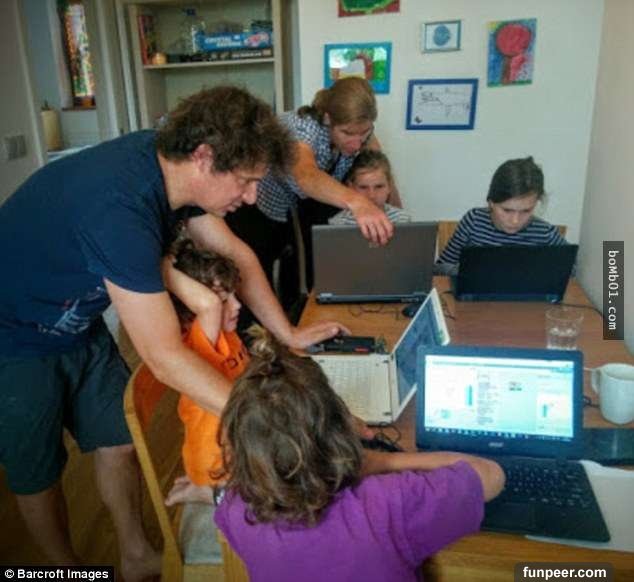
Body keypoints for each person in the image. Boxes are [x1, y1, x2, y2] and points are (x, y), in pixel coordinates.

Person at [0, 86, 347, 580]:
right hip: (12, 333)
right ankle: (64, 571)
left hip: (76, 322)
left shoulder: (174, 172)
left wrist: (288, 333)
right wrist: (271, 422)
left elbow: (239, 255)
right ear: (204, 158)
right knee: (38, 472)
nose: (252, 196)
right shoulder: (118, 208)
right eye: (246, 181)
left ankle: (135, 554)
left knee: (118, 441)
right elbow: (164, 357)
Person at [213, 327, 505, 582]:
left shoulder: (235, 509)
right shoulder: (388, 503)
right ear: (338, 428)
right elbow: (492, 475)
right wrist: (386, 461)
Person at [225, 77, 400, 306]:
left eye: (364, 133)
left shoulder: (360, 130)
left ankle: (301, 315)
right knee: (254, 275)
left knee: (305, 267)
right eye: (348, 133)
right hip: (257, 205)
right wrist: (359, 203)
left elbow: (381, 170)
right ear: (328, 119)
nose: (357, 144)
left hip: (300, 203)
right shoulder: (304, 127)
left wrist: (398, 222)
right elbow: (306, 175)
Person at [162, 235, 248, 505]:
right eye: (224, 300)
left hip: (237, 449)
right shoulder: (200, 341)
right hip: (217, 463)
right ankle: (209, 494)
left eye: (234, 295)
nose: (237, 305)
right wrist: (163, 271)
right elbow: (209, 306)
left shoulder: (226, 334)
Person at [435, 156, 567, 275]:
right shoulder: (474, 221)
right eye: (507, 210)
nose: (515, 220)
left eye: (526, 211)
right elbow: (441, 267)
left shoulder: (545, 233)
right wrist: (471, 271)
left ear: (536, 203)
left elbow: (569, 271)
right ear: (491, 202)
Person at [329, 150, 411, 226]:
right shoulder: (338, 223)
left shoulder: (402, 220)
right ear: (351, 188)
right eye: (363, 187)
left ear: (389, 187)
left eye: (379, 187)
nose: (371, 195)